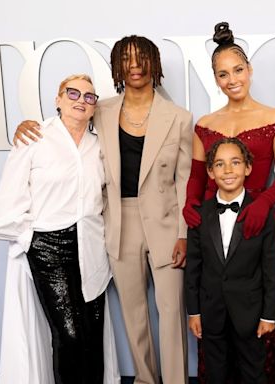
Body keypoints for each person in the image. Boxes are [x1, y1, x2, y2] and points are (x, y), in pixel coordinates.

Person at [14, 36, 193, 384]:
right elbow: (68, 124)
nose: (135, 65)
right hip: (117, 222)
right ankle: (144, 378)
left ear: (154, 64)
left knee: (171, 312)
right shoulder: (103, 109)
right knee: (133, 312)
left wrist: (185, 233)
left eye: (142, 58)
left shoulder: (179, 118)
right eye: (126, 59)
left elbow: (185, 180)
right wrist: (26, 126)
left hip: (166, 224)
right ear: (118, 67)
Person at [182, 22, 275, 383]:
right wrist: (190, 205)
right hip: (212, 228)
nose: (232, 79)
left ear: (249, 71)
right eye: (222, 74)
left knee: (254, 334)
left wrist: (263, 204)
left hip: (258, 223)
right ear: (215, 79)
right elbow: (199, 177)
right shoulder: (205, 123)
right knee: (215, 340)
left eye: (237, 70)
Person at [0, 74, 119, 383]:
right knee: (69, 335)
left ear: (94, 107)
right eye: (72, 93)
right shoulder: (34, 138)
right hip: (49, 248)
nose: (80, 100)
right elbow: (8, 201)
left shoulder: (99, 145)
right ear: (58, 99)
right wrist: (32, 238)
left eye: (89, 97)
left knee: (91, 333)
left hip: (92, 246)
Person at [185, 137, 275, 384]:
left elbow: (271, 269)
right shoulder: (199, 214)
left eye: (235, 163)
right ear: (210, 171)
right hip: (211, 310)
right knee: (216, 373)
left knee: (253, 372)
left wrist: (269, 315)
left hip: (250, 311)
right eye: (219, 164)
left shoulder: (263, 213)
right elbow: (193, 268)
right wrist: (193, 311)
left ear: (248, 168)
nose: (228, 170)